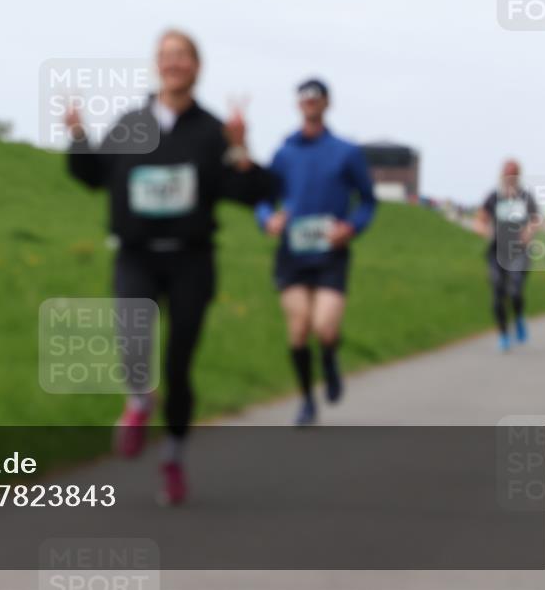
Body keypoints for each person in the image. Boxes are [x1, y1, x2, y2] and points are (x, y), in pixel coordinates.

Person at [65, 29, 275, 504]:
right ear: (156, 65)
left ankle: (174, 456)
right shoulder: (131, 124)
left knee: (179, 364)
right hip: (136, 253)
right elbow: (93, 176)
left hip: (191, 260)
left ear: (197, 67)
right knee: (133, 340)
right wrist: (77, 136)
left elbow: (249, 192)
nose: (174, 63)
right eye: (166, 55)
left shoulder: (212, 131)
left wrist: (241, 149)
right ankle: (140, 400)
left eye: (182, 56)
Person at [254, 79, 376, 426]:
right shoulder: (284, 152)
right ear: (298, 104)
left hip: (330, 253)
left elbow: (368, 201)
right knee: (298, 329)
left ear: (326, 103)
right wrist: (268, 219)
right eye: (304, 98)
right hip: (293, 253)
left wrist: (351, 227)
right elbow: (263, 198)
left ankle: (330, 358)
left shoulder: (346, 152)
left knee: (324, 326)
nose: (309, 103)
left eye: (315, 98)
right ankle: (307, 399)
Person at [474, 160, 541, 351]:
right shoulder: (494, 197)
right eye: (507, 174)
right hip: (497, 251)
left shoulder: (526, 197)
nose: (509, 178)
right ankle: (503, 334)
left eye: (513, 174)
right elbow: (480, 219)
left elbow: (535, 219)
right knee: (497, 292)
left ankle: (518, 317)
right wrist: (483, 229)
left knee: (515, 291)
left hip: (519, 251)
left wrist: (528, 231)